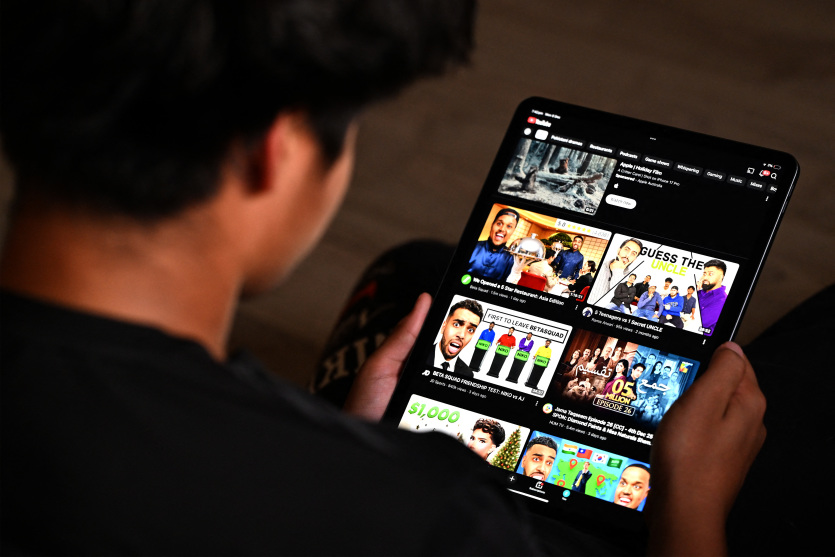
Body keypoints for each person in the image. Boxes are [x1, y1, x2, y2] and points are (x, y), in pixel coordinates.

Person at [0, 2, 777, 555]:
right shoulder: (430, 515)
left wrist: (348, 440)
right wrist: (689, 515)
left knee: (415, 274)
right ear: (273, 151)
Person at [426, 298, 483, 377]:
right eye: (457, 324)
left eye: (470, 330)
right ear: (443, 327)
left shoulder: (468, 374)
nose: (462, 335)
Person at [466, 208, 520, 281]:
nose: (502, 229)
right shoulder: (472, 247)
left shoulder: (511, 259)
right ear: (492, 225)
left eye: (509, 226)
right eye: (499, 223)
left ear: (513, 231)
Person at [588, 238, 643, 305]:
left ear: (634, 259)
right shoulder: (601, 265)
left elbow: (616, 296)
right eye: (626, 249)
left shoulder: (629, 278)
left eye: (633, 254)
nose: (628, 255)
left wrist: (618, 270)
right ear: (619, 250)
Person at [698, 259, 729, 336]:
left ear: (721, 277)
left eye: (710, 274)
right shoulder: (698, 292)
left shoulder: (722, 300)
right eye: (704, 274)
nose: (705, 277)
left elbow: (699, 323)